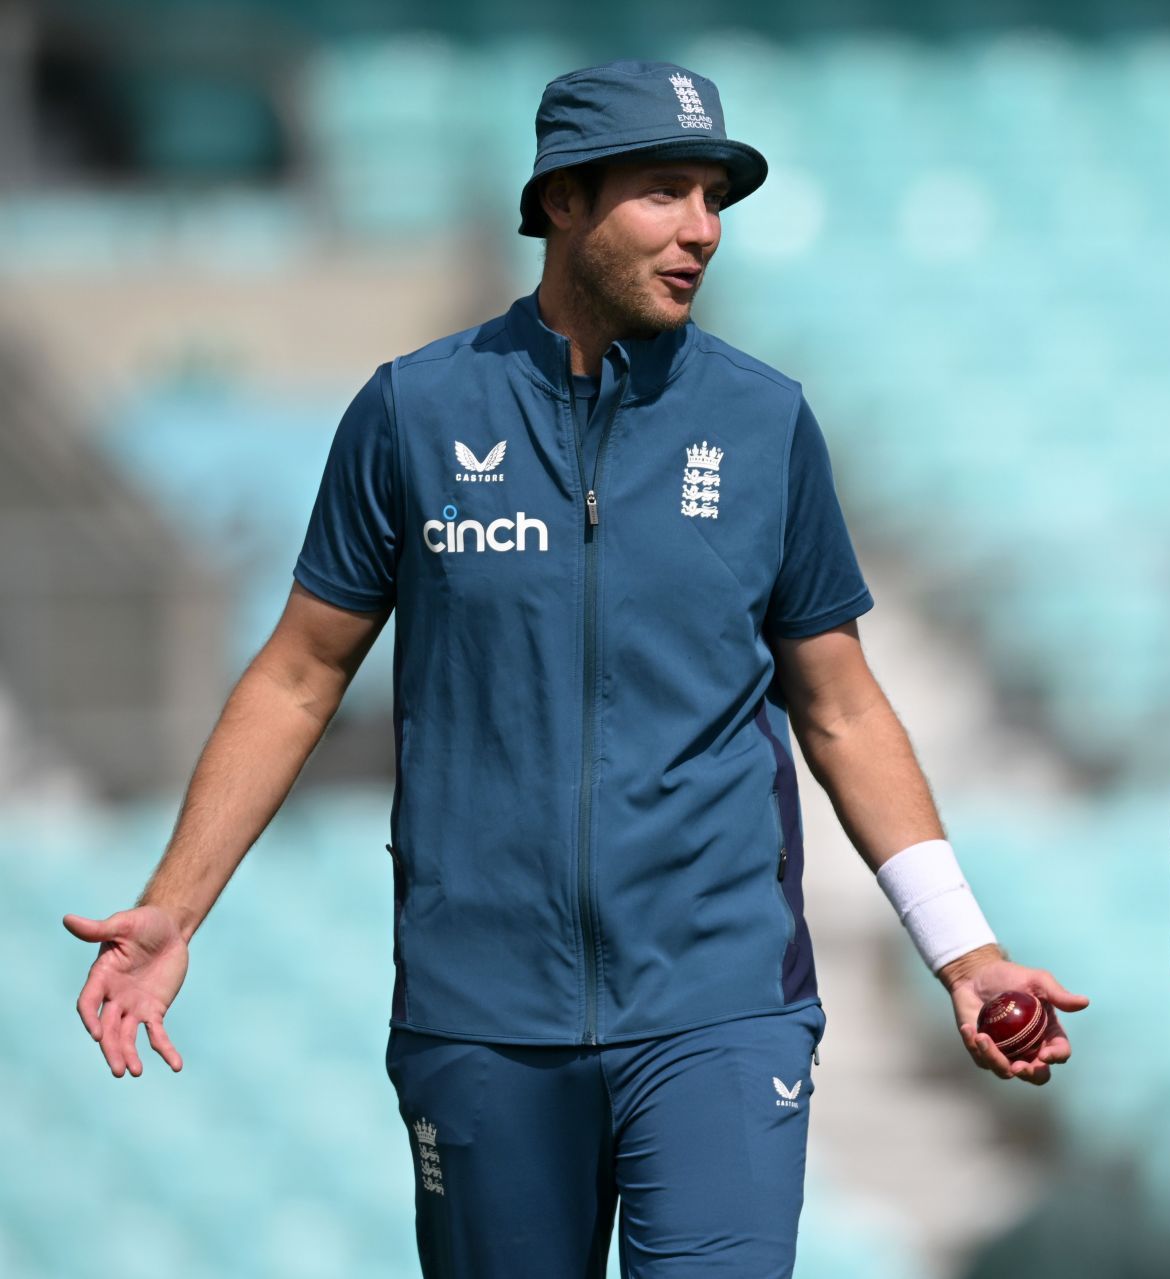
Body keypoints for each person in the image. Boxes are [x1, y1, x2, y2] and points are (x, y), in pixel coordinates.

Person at [65, 59, 1085, 1279]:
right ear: (561, 202)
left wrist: (964, 951)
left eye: (713, 197)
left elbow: (843, 703)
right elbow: (297, 674)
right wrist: (174, 907)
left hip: (721, 1000)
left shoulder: (768, 423)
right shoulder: (412, 413)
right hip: (480, 1015)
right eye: (664, 193)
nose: (702, 230)